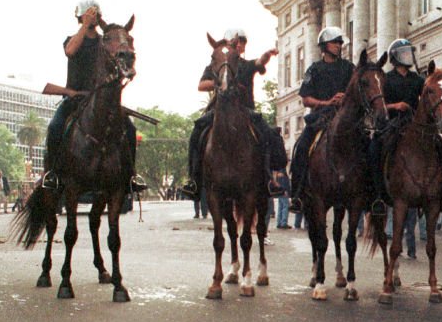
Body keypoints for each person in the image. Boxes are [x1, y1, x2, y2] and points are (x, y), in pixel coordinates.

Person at [41, 0, 145, 194]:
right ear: (80, 17)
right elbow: (70, 51)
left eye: (95, 14)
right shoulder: (72, 39)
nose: (92, 17)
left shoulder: (105, 43)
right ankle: (52, 174)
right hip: (75, 99)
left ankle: (131, 176)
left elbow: (118, 62)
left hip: (101, 100)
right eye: (88, 14)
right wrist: (84, 26)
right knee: (55, 126)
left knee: (129, 128)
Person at [180, 28, 280, 200]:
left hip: (245, 110)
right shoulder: (215, 64)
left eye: (242, 42)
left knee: (270, 134)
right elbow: (201, 85)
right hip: (219, 111)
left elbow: (260, 62)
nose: (239, 44)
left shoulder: (246, 64)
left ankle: (271, 177)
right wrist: (219, 81)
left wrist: (267, 54)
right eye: (236, 41)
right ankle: (194, 180)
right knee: (196, 132)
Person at [288, 27, 355, 214]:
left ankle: (371, 194)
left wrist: (346, 98)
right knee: (301, 148)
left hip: (345, 118)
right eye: (335, 42)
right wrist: (327, 101)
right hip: (321, 117)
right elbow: (306, 99)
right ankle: (297, 194)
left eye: (340, 43)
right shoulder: (314, 69)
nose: (339, 46)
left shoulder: (349, 68)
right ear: (324, 46)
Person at [367, 39, 426, 216]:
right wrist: (395, 106)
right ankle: (377, 196)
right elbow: (376, 104)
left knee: (439, 147)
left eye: (410, 52)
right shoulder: (386, 79)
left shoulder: (418, 79)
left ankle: (439, 194)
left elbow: (424, 101)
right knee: (374, 150)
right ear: (396, 57)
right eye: (405, 53)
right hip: (391, 124)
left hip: (413, 123)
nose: (409, 56)